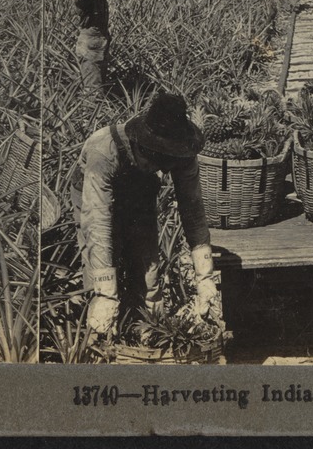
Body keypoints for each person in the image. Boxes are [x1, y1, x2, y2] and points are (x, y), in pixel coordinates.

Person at [77, 91, 220, 337]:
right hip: (92, 198)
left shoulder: (182, 152)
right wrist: (105, 293)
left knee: (148, 273)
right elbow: (98, 223)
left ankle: (148, 334)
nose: (163, 171)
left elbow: (193, 209)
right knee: (98, 277)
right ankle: (100, 341)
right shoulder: (104, 152)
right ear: (142, 146)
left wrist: (205, 277)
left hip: (139, 198)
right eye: (158, 160)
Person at [73, 0, 133, 90]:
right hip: (90, 49)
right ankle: (90, 113)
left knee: (99, 88)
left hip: (100, 46)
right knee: (92, 93)